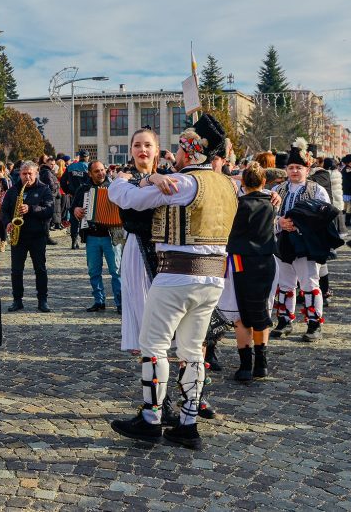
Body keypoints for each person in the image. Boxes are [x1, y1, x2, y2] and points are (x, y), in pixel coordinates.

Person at [108, 114, 238, 451]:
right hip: (212, 279)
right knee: (192, 350)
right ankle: (188, 422)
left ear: (191, 152)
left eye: (182, 149)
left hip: (176, 274)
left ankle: (151, 418)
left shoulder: (184, 184)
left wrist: (125, 180)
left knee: (154, 346)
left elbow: (128, 199)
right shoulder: (227, 185)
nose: (176, 155)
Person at [270, 139, 335, 342]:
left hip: (306, 243)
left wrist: (300, 224)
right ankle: (284, 320)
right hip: (283, 242)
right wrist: (279, 221)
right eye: (291, 167)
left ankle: (314, 323)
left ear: (307, 169)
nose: (294, 171)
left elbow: (325, 215)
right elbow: (268, 214)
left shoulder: (317, 190)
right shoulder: (278, 190)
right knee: (285, 282)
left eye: (299, 167)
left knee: (309, 282)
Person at [221, 163, 277, 380]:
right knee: (261, 310)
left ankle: (246, 366)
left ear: (243, 182)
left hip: (240, 260)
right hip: (266, 260)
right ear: (264, 182)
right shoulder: (272, 203)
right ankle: (261, 364)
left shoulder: (237, 204)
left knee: (242, 314)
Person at [111, 127, 161, 356]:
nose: (142, 150)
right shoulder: (125, 180)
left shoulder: (170, 175)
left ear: (156, 150)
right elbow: (129, 201)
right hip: (139, 245)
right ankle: (151, 364)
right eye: (138, 145)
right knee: (141, 298)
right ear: (131, 150)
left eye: (148, 145)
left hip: (167, 247)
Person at [1, 161, 54, 313]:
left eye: (30, 173)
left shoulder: (44, 189)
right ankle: (17, 300)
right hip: (19, 236)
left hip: (37, 235)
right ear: (20, 174)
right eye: (24, 174)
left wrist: (31, 209)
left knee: (40, 269)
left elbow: (49, 210)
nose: (27, 176)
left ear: (36, 173)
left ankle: (42, 300)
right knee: (16, 270)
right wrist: (7, 223)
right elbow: (4, 211)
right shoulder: (13, 191)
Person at [74, 161, 122, 313]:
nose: (101, 173)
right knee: (94, 271)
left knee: (116, 271)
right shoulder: (83, 189)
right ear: (90, 173)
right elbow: (74, 207)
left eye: (102, 170)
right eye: (97, 171)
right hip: (92, 236)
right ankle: (99, 301)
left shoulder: (114, 187)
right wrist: (76, 210)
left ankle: (120, 302)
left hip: (111, 236)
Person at [61, 150, 90, 249]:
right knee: (88, 217)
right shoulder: (88, 167)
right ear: (87, 157)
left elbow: (63, 181)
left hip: (74, 195)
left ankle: (74, 241)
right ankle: (87, 241)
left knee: (74, 219)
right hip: (87, 195)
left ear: (79, 156)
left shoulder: (70, 167)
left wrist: (68, 191)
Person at [340, 154, 351, 225]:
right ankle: (347, 222)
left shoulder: (348, 168)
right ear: (349, 162)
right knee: (348, 207)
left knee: (346, 207)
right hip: (348, 190)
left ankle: (345, 221)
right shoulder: (348, 169)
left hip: (346, 190)